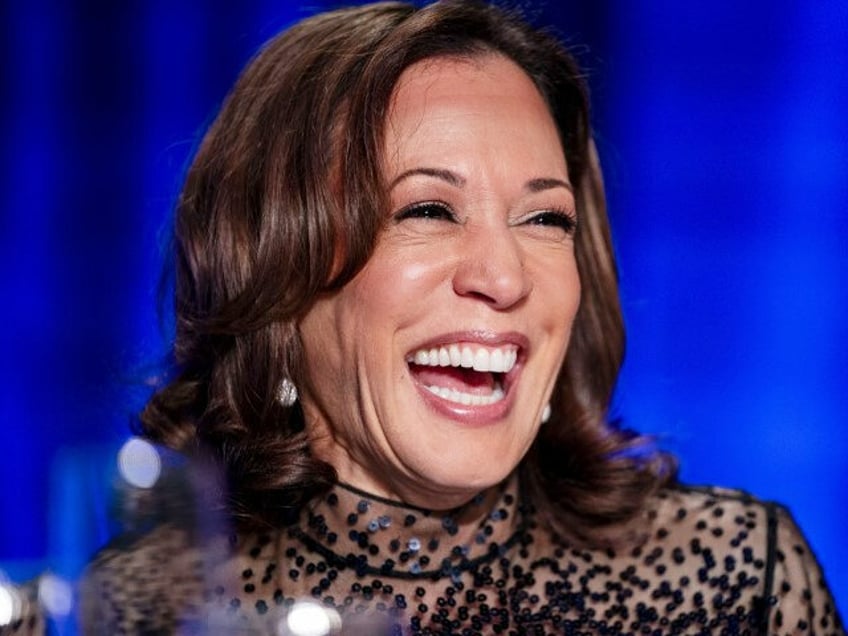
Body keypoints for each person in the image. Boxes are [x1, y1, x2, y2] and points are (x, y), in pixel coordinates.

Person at [77, 1, 842, 634]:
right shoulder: (141, 608)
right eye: (431, 209)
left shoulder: (739, 580)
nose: (503, 276)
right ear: (276, 270)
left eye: (545, 220)